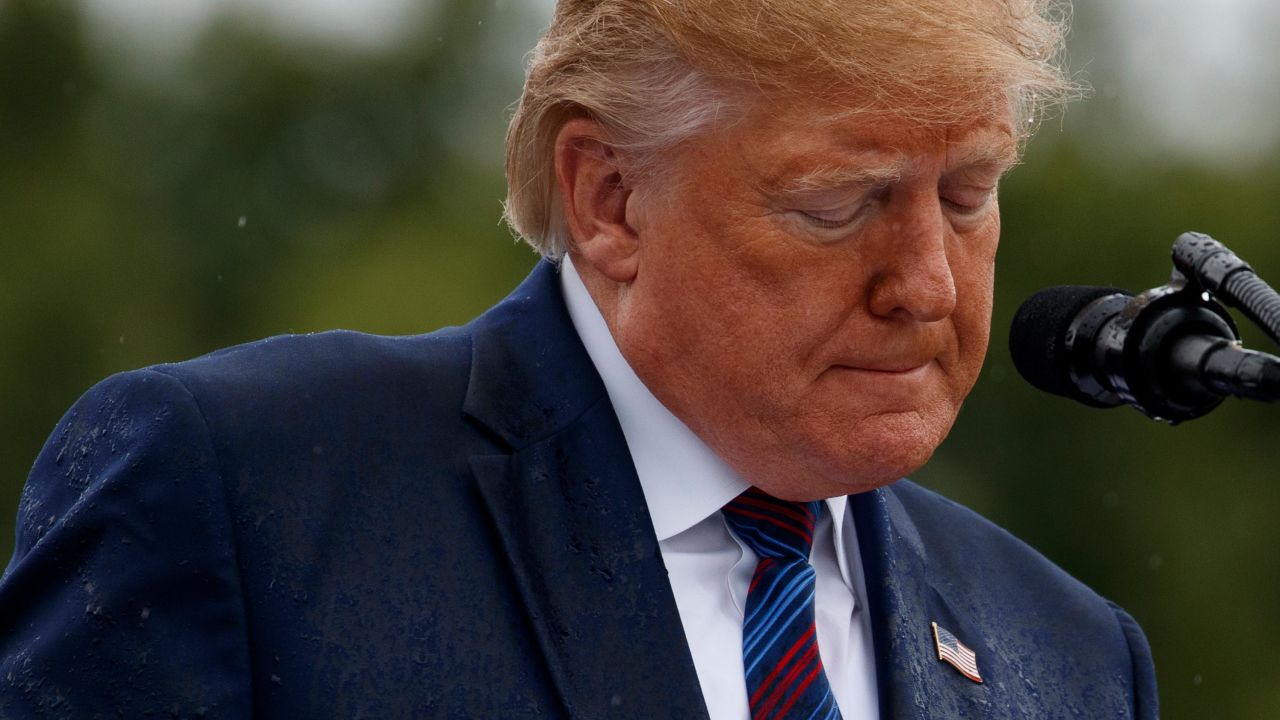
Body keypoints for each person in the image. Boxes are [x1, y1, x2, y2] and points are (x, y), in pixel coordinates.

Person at [0, 0, 1157, 717]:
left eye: (965, 197)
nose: (928, 283)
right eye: (839, 203)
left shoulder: (1070, 656)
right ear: (608, 198)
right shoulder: (245, 499)